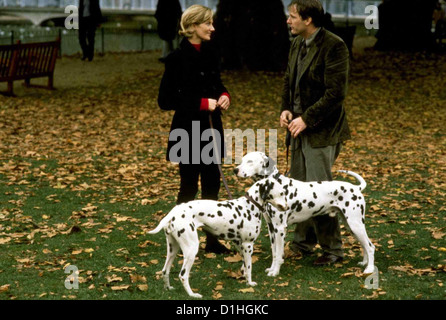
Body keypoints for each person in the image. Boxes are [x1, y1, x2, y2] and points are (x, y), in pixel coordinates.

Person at [279, 0, 351, 265]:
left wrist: (306, 119)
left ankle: (333, 250)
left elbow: (336, 93)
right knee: (298, 189)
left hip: (322, 131)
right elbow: (289, 80)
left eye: (293, 16)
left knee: (321, 193)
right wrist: (286, 109)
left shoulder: (335, 46)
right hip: (299, 129)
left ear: (308, 20)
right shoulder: (297, 42)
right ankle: (303, 243)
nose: (288, 21)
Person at [158, 5, 231, 254]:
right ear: (191, 27)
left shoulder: (212, 52)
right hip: (186, 132)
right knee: (188, 186)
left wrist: (223, 95)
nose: (212, 27)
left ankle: (212, 240)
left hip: (211, 130)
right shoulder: (175, 59)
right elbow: (165, 100)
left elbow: (217, 83)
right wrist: (200, 103)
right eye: (207, 24)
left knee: (212, 185)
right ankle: (180, 238)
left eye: (212, 23)